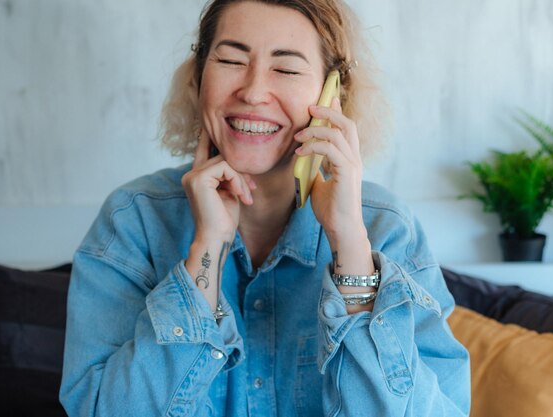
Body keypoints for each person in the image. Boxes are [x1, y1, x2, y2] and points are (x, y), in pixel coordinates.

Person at [59, 0, 470, 415]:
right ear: (199, 76)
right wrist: (207, 252)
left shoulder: (387, 228)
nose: (253, 92)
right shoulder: (133, 222)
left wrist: (350, 246)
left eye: (287, 69)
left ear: (333, 96)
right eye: (231, 60)